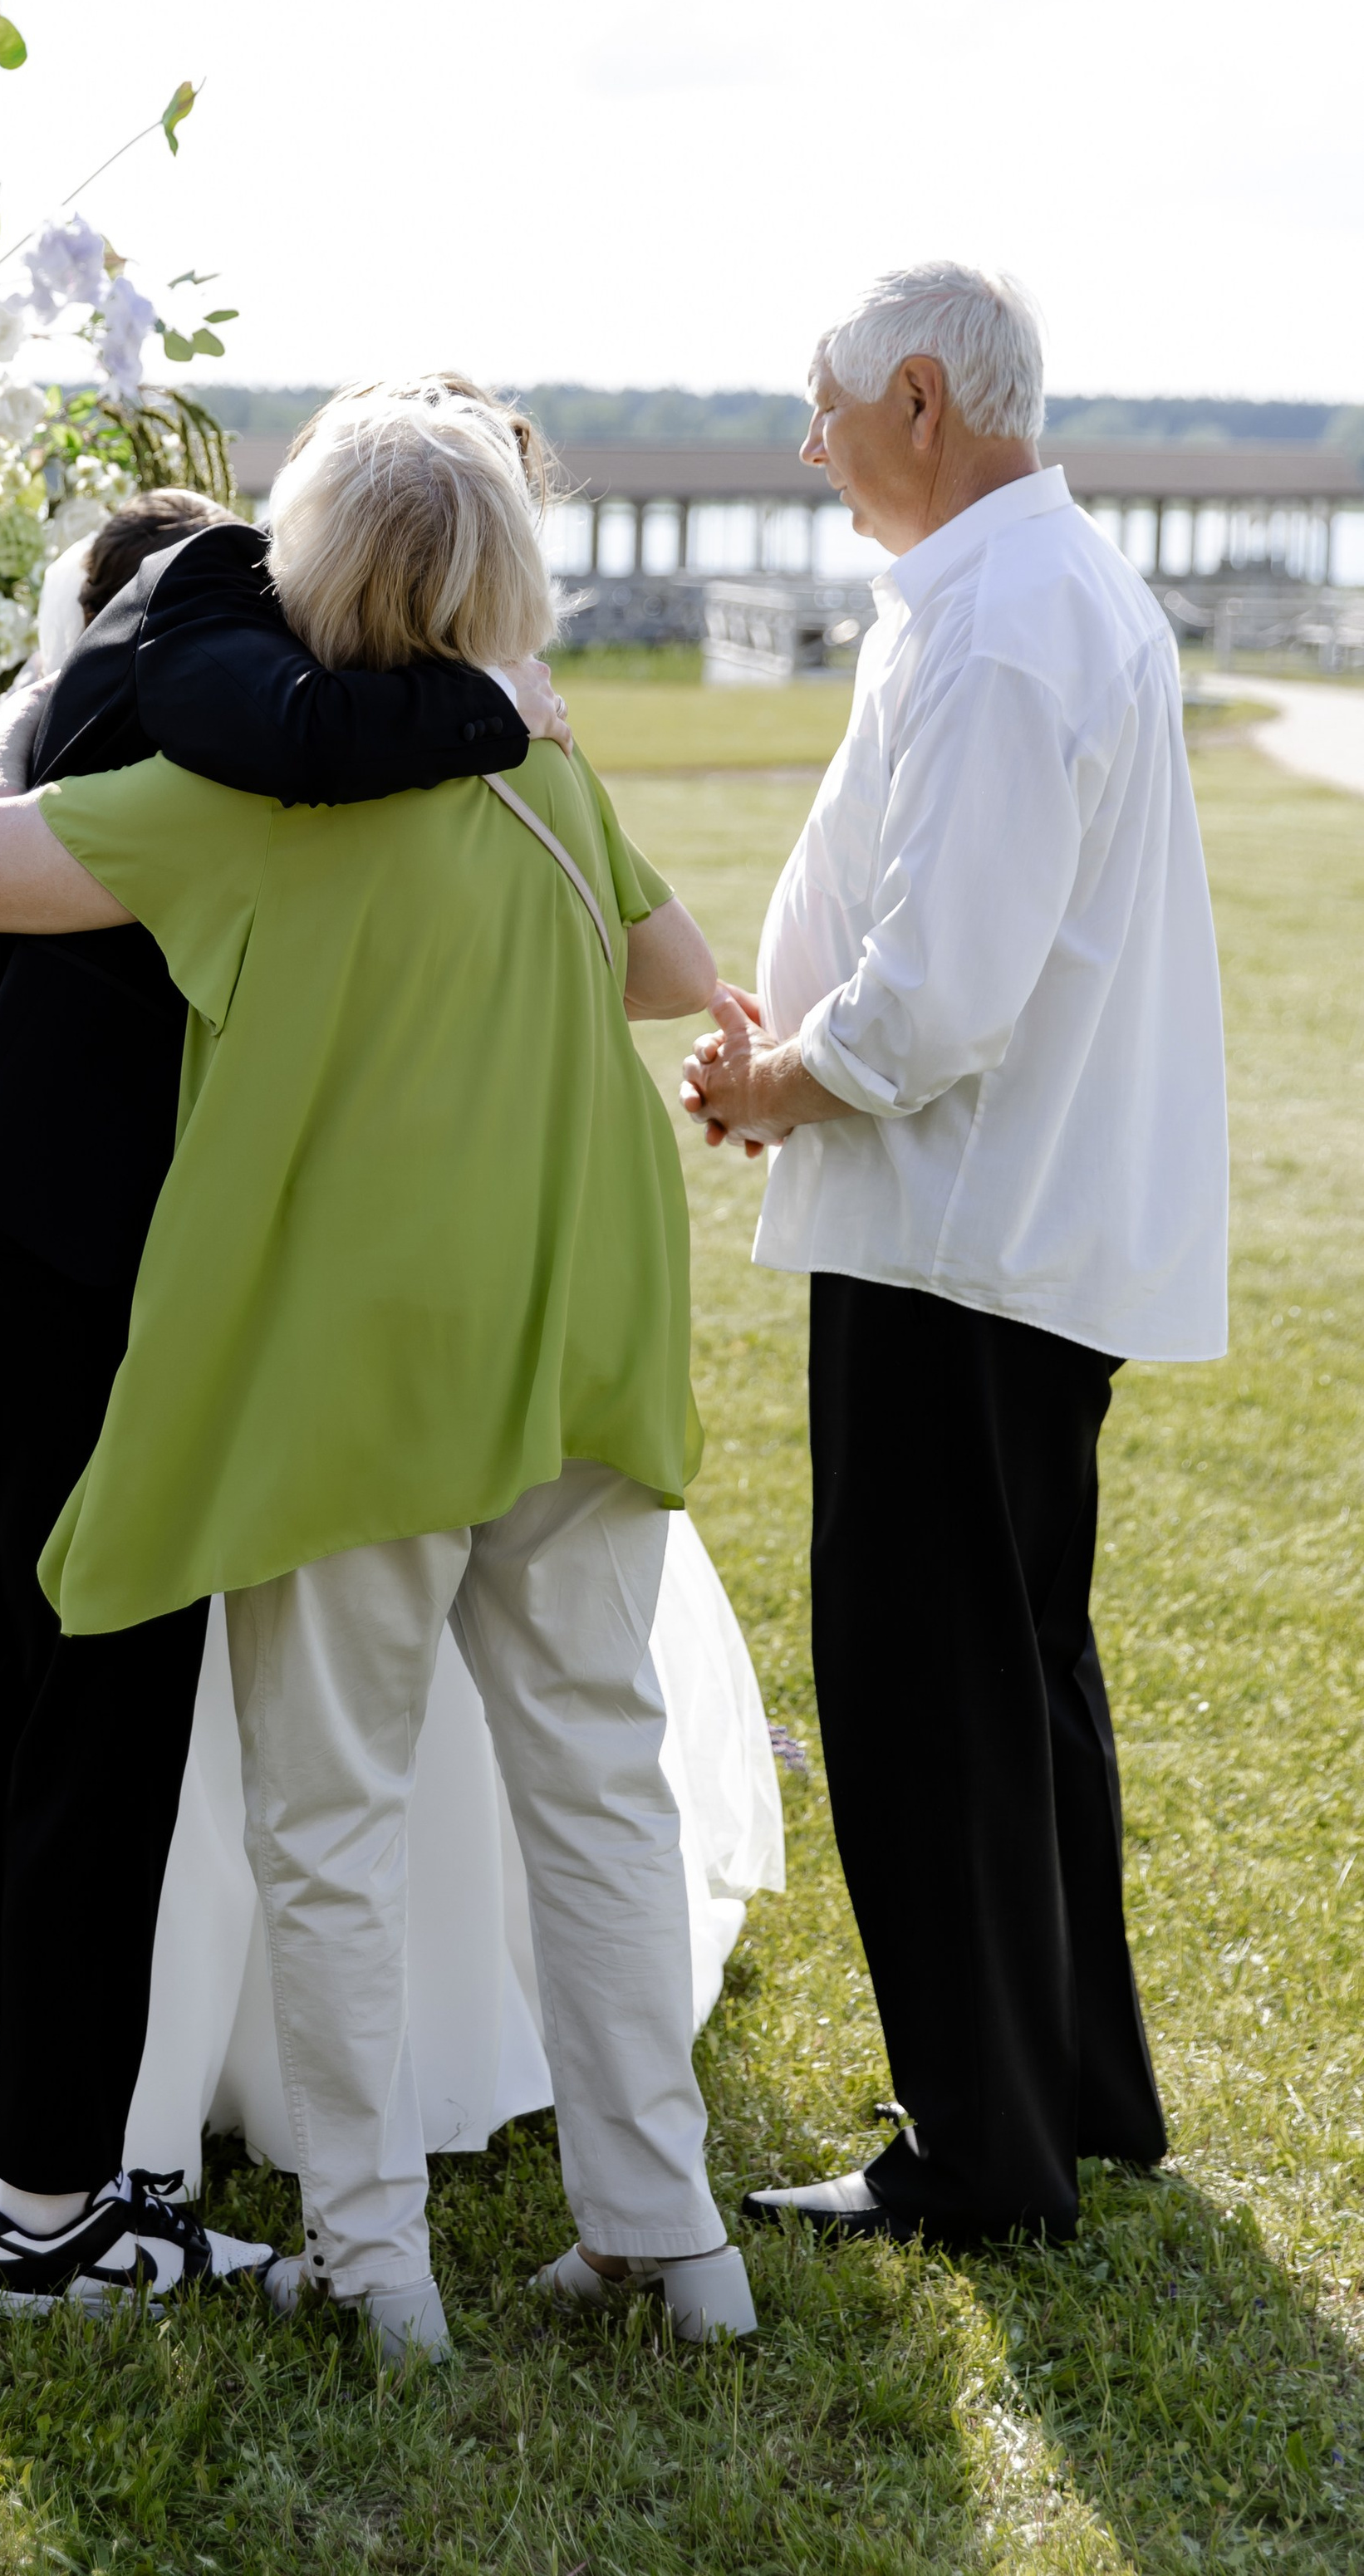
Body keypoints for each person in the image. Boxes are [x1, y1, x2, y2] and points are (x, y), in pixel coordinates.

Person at [0, 379, 759, 2361]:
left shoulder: (237, 812)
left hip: (362, 1380)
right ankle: (672, 2239)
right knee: (600, 1793)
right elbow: (677, 968)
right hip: (576, 1340)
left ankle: (377, 2267)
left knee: (332, 1822)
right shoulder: (542, 779)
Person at [0, 472, 568, 2310]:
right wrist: (499, 709)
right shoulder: (217, 593)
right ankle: (52, 2213)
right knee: (102, 1689)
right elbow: (277, 733)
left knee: (5, 1662)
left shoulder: (260, 690)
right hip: (51, 1241)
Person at [683, 263, 1227, 2248]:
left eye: (819, 406)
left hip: (956, 1240)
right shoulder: (1018, 590)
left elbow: (939, 997)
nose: (803, 445)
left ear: (917, 396)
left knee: (927, 1695)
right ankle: (1072, 2090)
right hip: (993, 1235)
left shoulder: (1002, 624)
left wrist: (777, 1084)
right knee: (1013, 1670)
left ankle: (979, 2158)